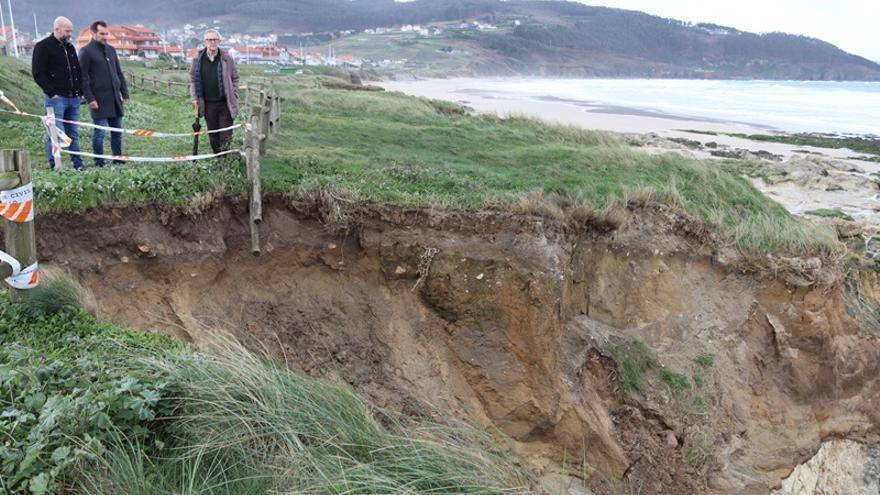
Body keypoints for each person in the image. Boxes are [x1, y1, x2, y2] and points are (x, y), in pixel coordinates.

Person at [31, 16, 84, 170]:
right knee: (55, 133)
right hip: (56, 99)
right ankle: (55, 164)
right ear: (57, 29)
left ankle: (78, 163)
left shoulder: (70, 47)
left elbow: (76, 71)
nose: (70, 34)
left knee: (73, 133)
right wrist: (51, 92)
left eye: (71, 31)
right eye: (67, 31)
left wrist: (79, 91)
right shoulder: (43, 47)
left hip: (73, 98)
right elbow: (38, 72)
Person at [79, 20, 129, 167]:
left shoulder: (111, 50)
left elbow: (118, 73)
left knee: (117, 131)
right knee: (99, 133)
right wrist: (90, 98)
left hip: (115, 98)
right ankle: (99, 161)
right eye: (102, 34)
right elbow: (83, 77)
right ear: (93, 33)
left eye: (106, 34)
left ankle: (117, 159)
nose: (105, 37)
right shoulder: (86, 52)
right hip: (98, 100)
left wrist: (124, 93)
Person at [189, 30, 239, 154]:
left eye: (215, 39)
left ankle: (225, 159)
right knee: (213, 134)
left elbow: (235, 78)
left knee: (226, 134)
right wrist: (194, 98)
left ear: (219, 41)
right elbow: (192, 79)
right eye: (209, 40)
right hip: (207, 104)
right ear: (205, 42)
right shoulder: (197, 59)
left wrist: (234, 94)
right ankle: (218, 158)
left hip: (225, 103)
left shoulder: (226, 58)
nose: (212, 42)